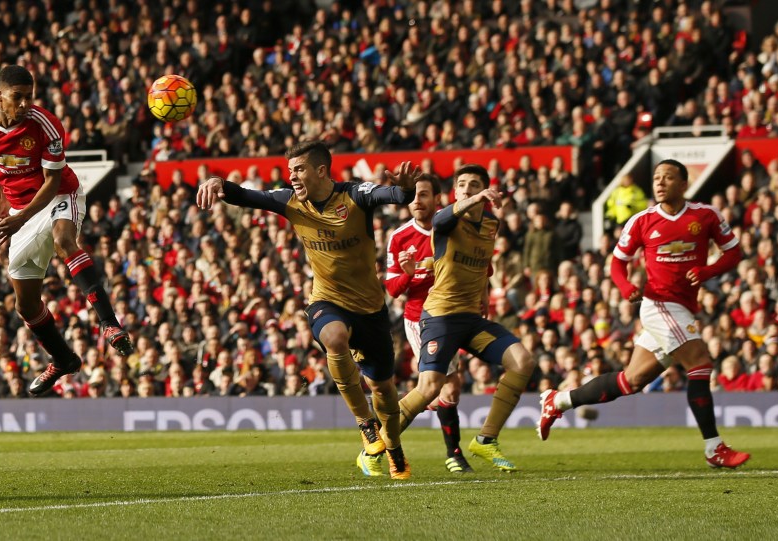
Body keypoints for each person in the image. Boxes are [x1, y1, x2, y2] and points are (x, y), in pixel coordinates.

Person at [197, 140, 419, 479]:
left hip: (371, 309)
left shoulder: (355, 196)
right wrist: (219, 183)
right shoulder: (290, 201)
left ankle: (393, 448)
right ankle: (365, 423)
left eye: (299, 169)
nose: (293, 176)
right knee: (334, 337)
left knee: (385, 391)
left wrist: (404, 190)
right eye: (290, 171)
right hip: (326, 300)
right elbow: (246, 195)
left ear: (321, 170)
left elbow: (392, 196)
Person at [538, 159, 750, 469]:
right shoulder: (642, 220)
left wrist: (707, 271)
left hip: (683, 306)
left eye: (667, 177)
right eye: (656, 178)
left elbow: (734, 252)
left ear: (684, 184)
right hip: (659, 304)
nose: (660, 183)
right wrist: (625, 288)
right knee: (700, 361)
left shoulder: (705, 216)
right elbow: (616, 262)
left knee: (631, 380)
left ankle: (557, 401)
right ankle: (713, 447)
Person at [0, 65, 134, 396]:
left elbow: (52, 181)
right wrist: (0, 196)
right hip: (18, 208)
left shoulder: (46, 126)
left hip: (57, 195)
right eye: (18, 97)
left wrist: (20, 217)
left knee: (63, 241)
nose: (26, 104)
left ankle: (109, 323)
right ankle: (63, 359)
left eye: (30, 97)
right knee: (25, 306)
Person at [377, 164, 536, 474]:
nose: (466, 189)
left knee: (518, 364)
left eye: (474, 184)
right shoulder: (435, 224)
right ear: (452, 194)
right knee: (436, 389)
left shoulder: (490, 223)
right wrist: (409, 275)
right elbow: (393, 288)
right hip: (433, 318)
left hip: (468, 317)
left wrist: (486, 292)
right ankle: (381, 444)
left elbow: (482, 262)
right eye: (461, 185)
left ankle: (482, 442)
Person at [383, 174, 474, 475]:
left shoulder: (451, 227)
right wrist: (408, 274)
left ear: (438, 199)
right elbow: (393, 288)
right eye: (412, 196)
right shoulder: (399, 237)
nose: (416, 202)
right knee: (443, 386)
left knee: (448, 388)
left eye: (422, 195)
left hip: (453, 314)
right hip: (420, 319)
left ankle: (381, 440)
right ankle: (454, 454)